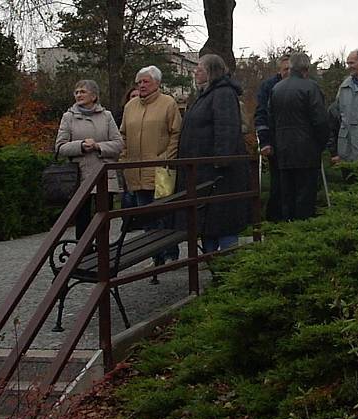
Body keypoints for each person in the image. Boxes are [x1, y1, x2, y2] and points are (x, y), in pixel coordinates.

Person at [177, 53, 249, 252]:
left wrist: (221, 160)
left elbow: (226, 128)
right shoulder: (205, 95)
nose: (195, 72)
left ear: (211, 71)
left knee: (222, 221)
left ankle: (227, 267)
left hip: (219, 175)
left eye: (199, 69)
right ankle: (211, 262)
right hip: (203, 172)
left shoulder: (223, 94)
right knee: (207, 223)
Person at [120, 65, 182, 267]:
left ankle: (170, 253)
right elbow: (123, 135)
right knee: (145, 216)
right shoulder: (130, 107)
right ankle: (155, 257)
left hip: (160, 170)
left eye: (146, 81)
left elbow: (176, 133)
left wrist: (165, 157)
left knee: (163, 214)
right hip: (135, 171)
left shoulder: (168, 103)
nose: (141, 85)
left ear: (157, 83)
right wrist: (124, 157)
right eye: (139, 81)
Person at [55, 79, 123, 241]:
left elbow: (119, 144)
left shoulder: (106, 116)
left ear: (94, 96)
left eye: (82, 92)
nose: (78, 95)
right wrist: (81, 145)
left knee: (103, 220)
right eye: (76, 92)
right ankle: (83, 257)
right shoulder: (68, 117)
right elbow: (60, 147)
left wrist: (98, 146)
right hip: (80, 176)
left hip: (104, 176)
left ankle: (103, 257)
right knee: (83, 221)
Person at [264, 52, 329, 220]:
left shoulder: (276, 88)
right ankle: (304, 233)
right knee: (305, 198)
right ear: (306, 69)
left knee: (287, 196)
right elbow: (320, 120)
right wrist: (321, 145)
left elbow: (270, 120)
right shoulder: (311, 87)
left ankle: (288, 231)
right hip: (307, 151)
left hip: (283, 151)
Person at [255, 54, 291, 221]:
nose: (289, 72)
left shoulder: (303, 85)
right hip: (275, 140)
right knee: (278, 184)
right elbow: (261, 114)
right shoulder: (269, 86)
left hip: (295, 143)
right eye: (286, 69)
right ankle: (275, 220)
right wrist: (265, 142)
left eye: (292, 68)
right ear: (279, 70)